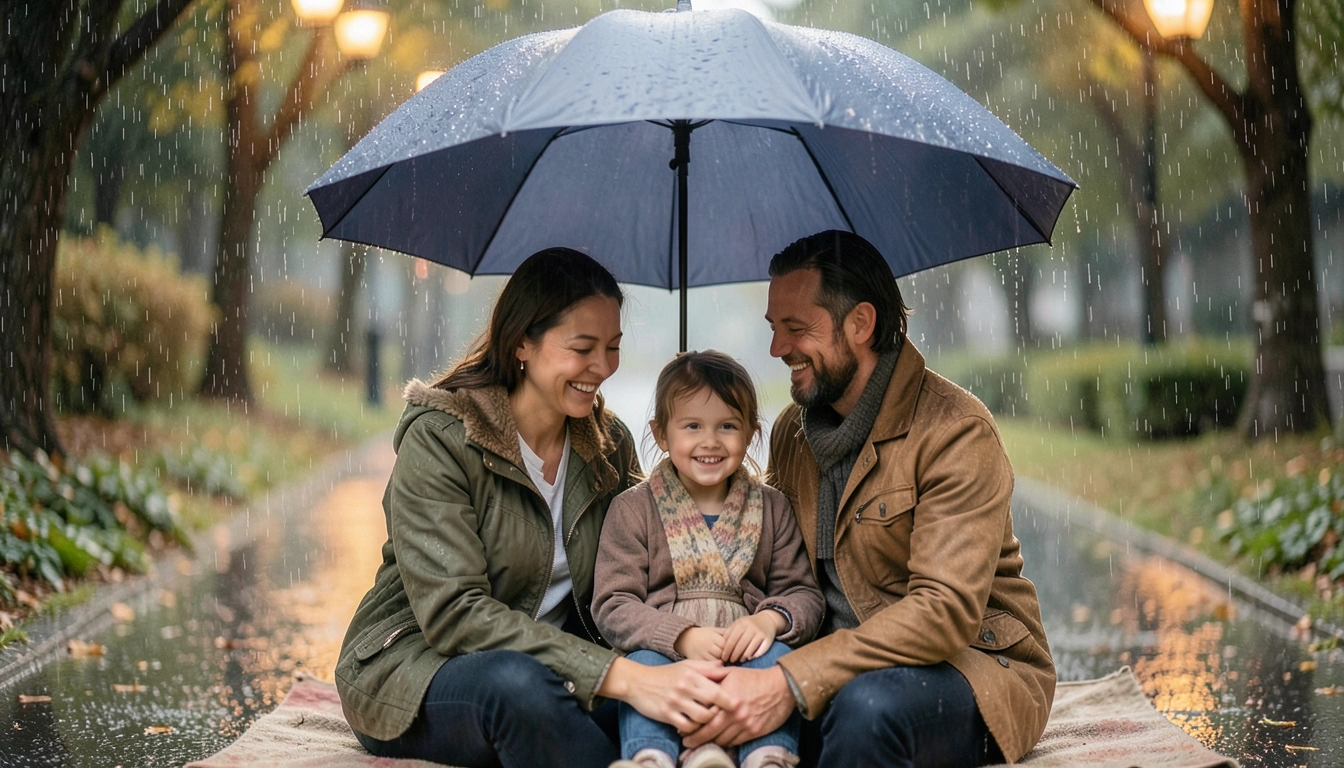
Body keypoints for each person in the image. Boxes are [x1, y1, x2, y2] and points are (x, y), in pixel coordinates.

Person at [336, 248, 734, 768]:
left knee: (688, 698)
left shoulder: (607, 445)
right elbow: (456, 615)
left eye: (612, 347)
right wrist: (625, 678)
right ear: (522, 341)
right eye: (583, 347)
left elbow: (645, 570)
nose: (602, 367)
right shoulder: (441, 439)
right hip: (420, 666)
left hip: (561, 667)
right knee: (517, 686)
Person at [683, 231, 1056, 768]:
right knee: (682, 709)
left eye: (796, 329)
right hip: (824, 661)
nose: (777, 349)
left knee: (865, 711)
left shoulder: (955, 431)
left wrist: (796, 679)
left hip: (971, 666)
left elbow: (943, 613)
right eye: (773, 329)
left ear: (860, 324)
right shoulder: (793, 432)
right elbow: (764, 560)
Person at [594, 351, 824, 768]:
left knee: (780, 664)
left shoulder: (771, 507)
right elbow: (613, 605)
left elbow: (803, 594)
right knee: (641, 667)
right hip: (666, 657)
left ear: (752, 434)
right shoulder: (633, 510)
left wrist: (768, 621)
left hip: (746, 654)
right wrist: (681, 638)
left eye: (728, 426)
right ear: (661, 433)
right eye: (692, 426)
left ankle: (767, 756)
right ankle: (650, 756)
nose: (710, 441)